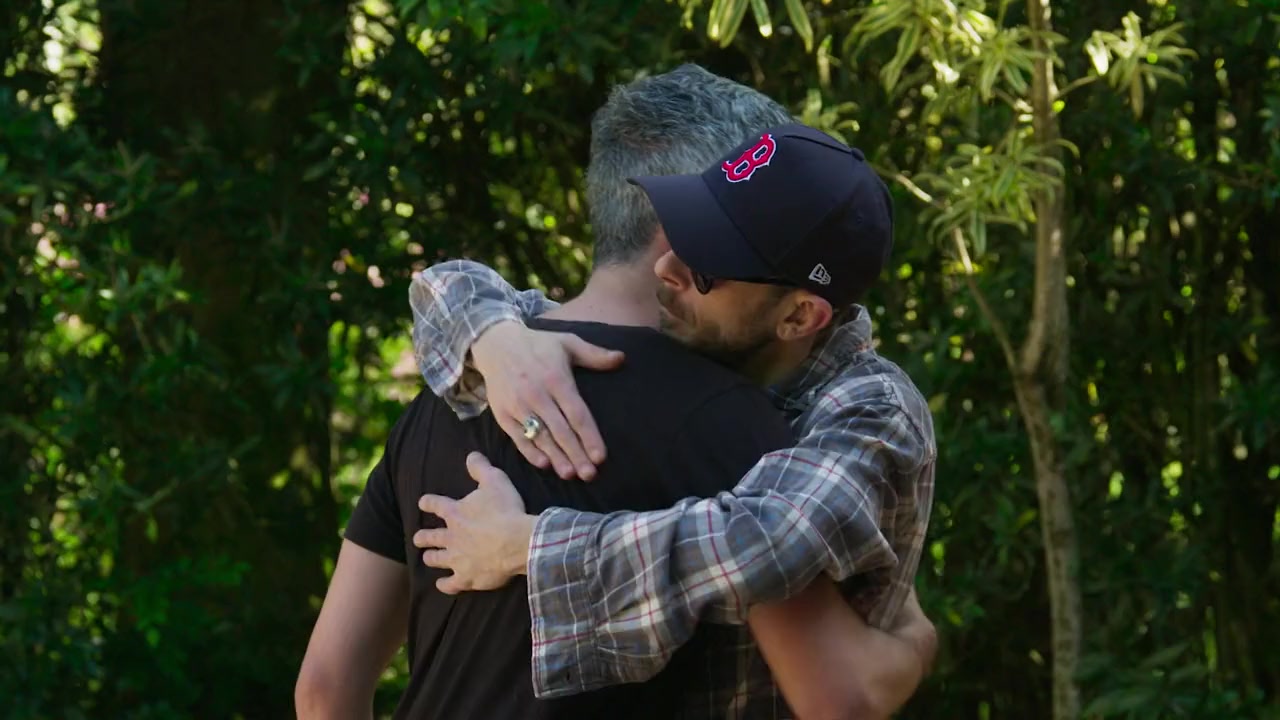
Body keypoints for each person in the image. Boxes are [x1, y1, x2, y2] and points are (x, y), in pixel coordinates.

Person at [295, 66, 934, 720]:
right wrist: (489, 333)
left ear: (800, 316)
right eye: (688, 229)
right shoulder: (505, 364)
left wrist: (532, 546)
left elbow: (766, 542)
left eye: (707, 264)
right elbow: (462, 292)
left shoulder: (854, 412)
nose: (667, 266)